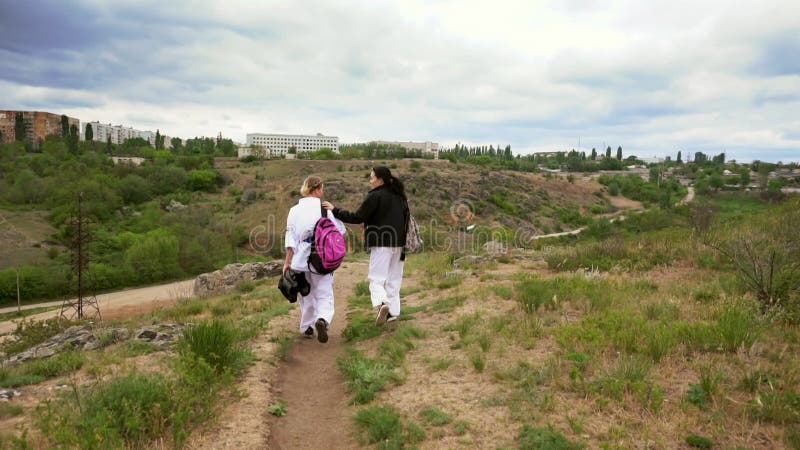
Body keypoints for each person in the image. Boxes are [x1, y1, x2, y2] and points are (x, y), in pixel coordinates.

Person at [323, 166, 409, 326]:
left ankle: (383, 304)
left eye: (372, 178)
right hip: (399, 244)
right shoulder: (400, 197)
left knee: (376, 279)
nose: (370, 181)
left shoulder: (375, 196)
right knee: (394, 280)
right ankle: (393, 314)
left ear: (380, 179)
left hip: (381, 242)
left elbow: (358, 217)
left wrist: (335, 211)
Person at [284, 175, 346, 343]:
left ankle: (307, 327)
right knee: (324, 292)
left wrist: (287, 262)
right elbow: (339, 232)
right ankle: (323, 319)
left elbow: (290, 238)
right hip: (322, 257)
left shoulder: (294, 210)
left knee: (306, 294)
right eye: (322, 188)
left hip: (300, 259)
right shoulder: (324, 209)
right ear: (317, 189)